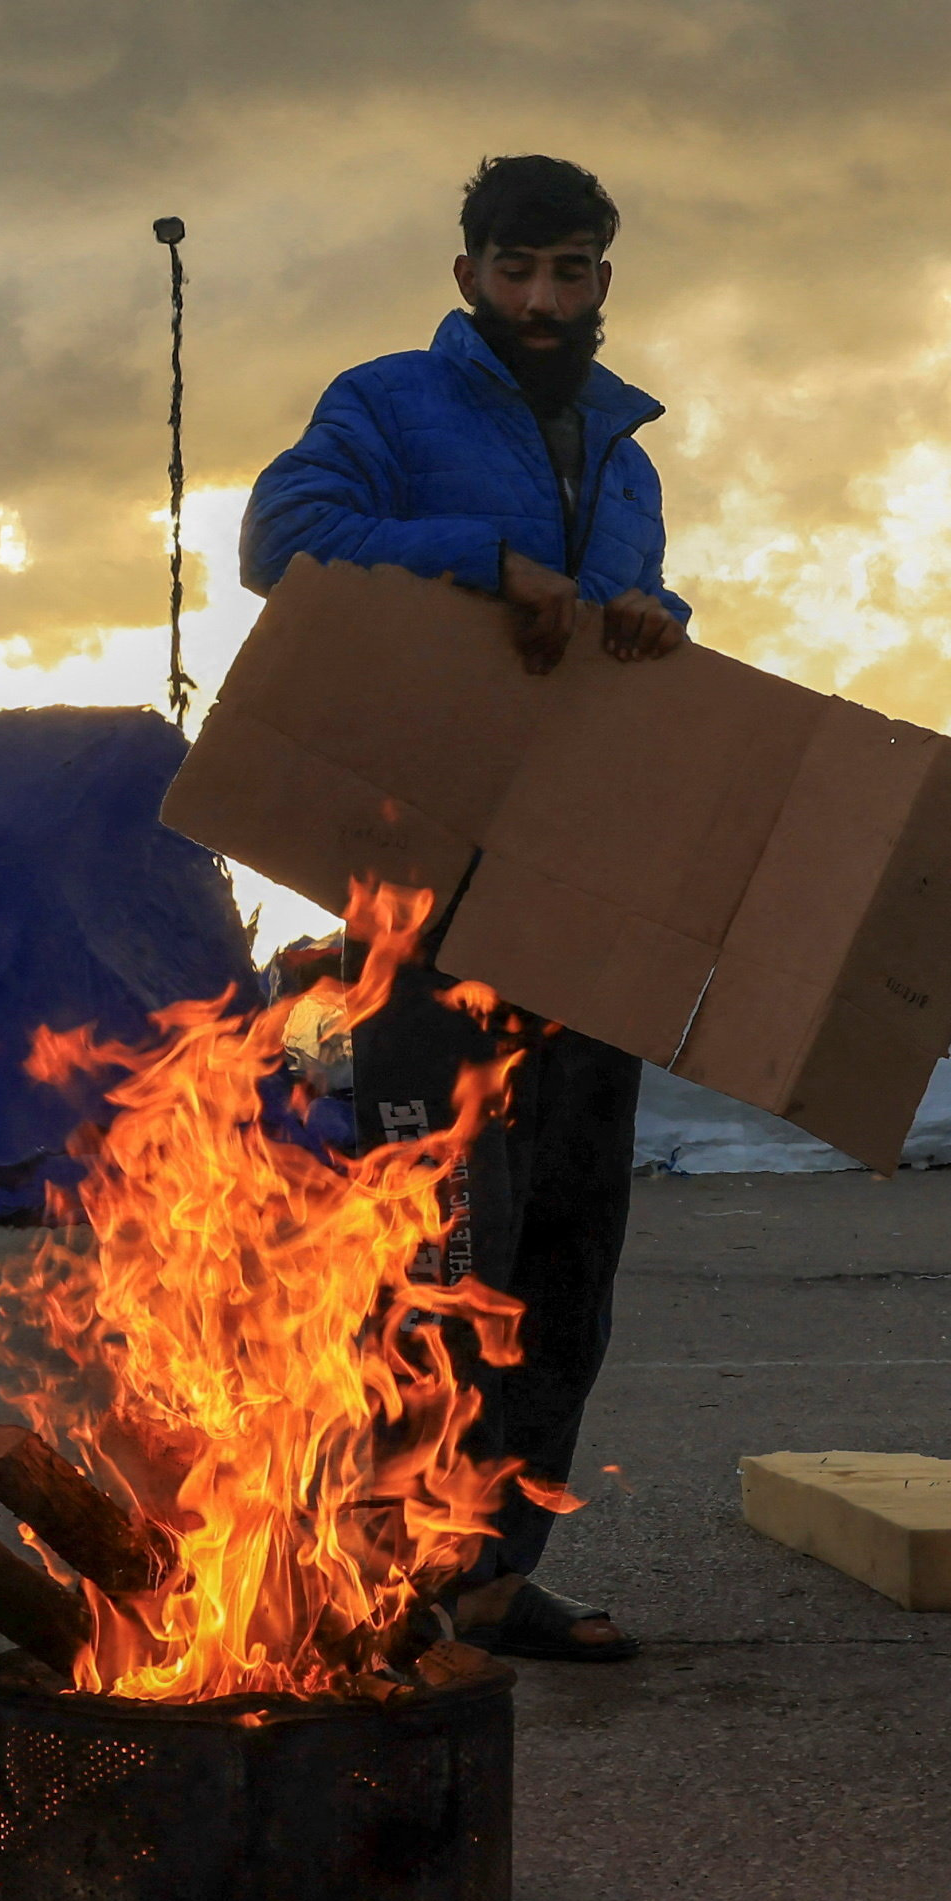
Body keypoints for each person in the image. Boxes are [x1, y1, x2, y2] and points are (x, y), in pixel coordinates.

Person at [239, 151, 685, 1665]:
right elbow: (279, 541)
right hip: (415, 902)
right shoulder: (381, 408)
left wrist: (653, 618)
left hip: (581, 902)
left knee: (569, 1253)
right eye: (517, 271)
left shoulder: (628, 459)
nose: (543, 301)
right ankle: (374, 1581)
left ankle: (496, 1574)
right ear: (468, 276)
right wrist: (481, 564)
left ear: (604, 283)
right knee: (428, 1264)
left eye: (571, 273)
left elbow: (641, 646)